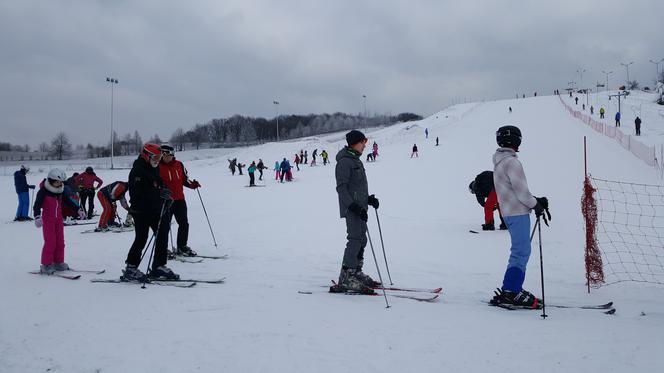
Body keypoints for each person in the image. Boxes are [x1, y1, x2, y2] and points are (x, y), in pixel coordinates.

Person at [489, 126, 550, 309]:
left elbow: (515, 191)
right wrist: (536, 204)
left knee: (520, 250)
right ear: (516, 140)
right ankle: (511, 291)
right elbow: (522, 193)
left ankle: (512, 288)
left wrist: (535, 201)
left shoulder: (500, 162)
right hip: (517, 213)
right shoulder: (512, 162)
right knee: (521, 251)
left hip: (510, 211)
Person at [123, 143, 179, 281]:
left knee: (162, 235)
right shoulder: (138, 170)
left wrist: (166, 195)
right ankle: (131, 268)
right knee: (141, 238)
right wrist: (160, 193)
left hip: (155, 209)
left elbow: (159, 183)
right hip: (141, 210)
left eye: (159, 157)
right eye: (155, 157)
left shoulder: (154, 168)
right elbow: (140, 192)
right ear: (146, 155)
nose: (158, 160)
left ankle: (158, 266)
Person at [333, 130, 380, 292]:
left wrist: (368, 199)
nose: (365, 146)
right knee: (354, 240)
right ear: (354, 143)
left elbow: (357, 188)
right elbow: (341, 188)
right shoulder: (345, 162)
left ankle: (356, 271)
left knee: (362, 239)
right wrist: (353, 206)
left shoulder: (356, 160)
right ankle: (346, 276)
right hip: (352, 208)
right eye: (363, 142)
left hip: (360, 208)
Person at [33, 168, 85, 274]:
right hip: (48, 220)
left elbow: (69, 201)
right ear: (51, 181)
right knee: (50, 242)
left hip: (59, 220)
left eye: (60, 182)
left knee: (60, 242)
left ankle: (58, 262)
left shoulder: (60, 191)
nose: (59, 184)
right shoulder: (44, 191)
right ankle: (46, 265)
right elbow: (37, 205)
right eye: (57, 182)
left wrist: (78, 209)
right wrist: (37, 216)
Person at [159, 144, 201, 257]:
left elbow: (184, 180)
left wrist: (193, 185)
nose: (169, 157)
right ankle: (162, 249)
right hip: (165, 202)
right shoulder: (157, 166)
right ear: (162, 154)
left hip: (180, 200)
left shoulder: (179, 165)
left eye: (171, 155)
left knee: (184, 224)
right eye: (166, 154)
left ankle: (182, 246)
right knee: (164, 226)